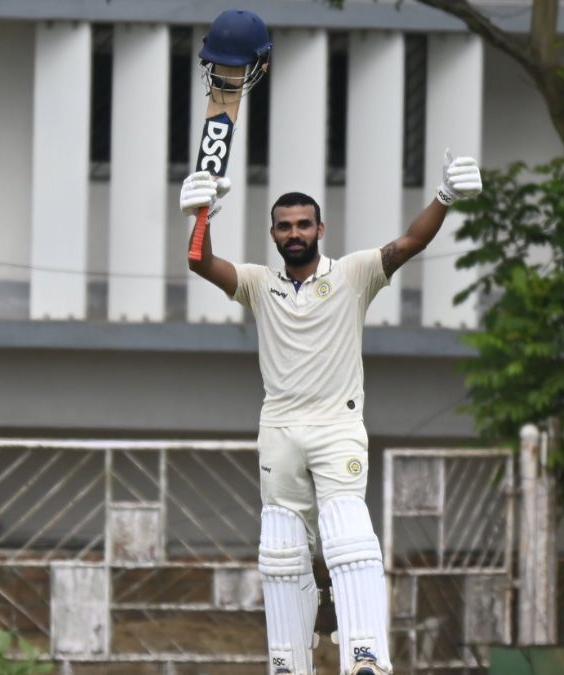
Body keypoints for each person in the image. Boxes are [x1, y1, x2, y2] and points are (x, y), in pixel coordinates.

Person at [181, 151, 482, 675]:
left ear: (321, 227)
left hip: (337, 426)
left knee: (347, 535)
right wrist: (201, 215)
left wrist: (446, 197)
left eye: (303, 224)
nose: (294, 233)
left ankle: (364, 656)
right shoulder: (258, 283)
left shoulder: (353, 274)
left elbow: (411, 243)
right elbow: (200, 263)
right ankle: (287, 663)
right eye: (284, 227)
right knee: (280, 551)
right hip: (279, 429)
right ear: (273, 235)